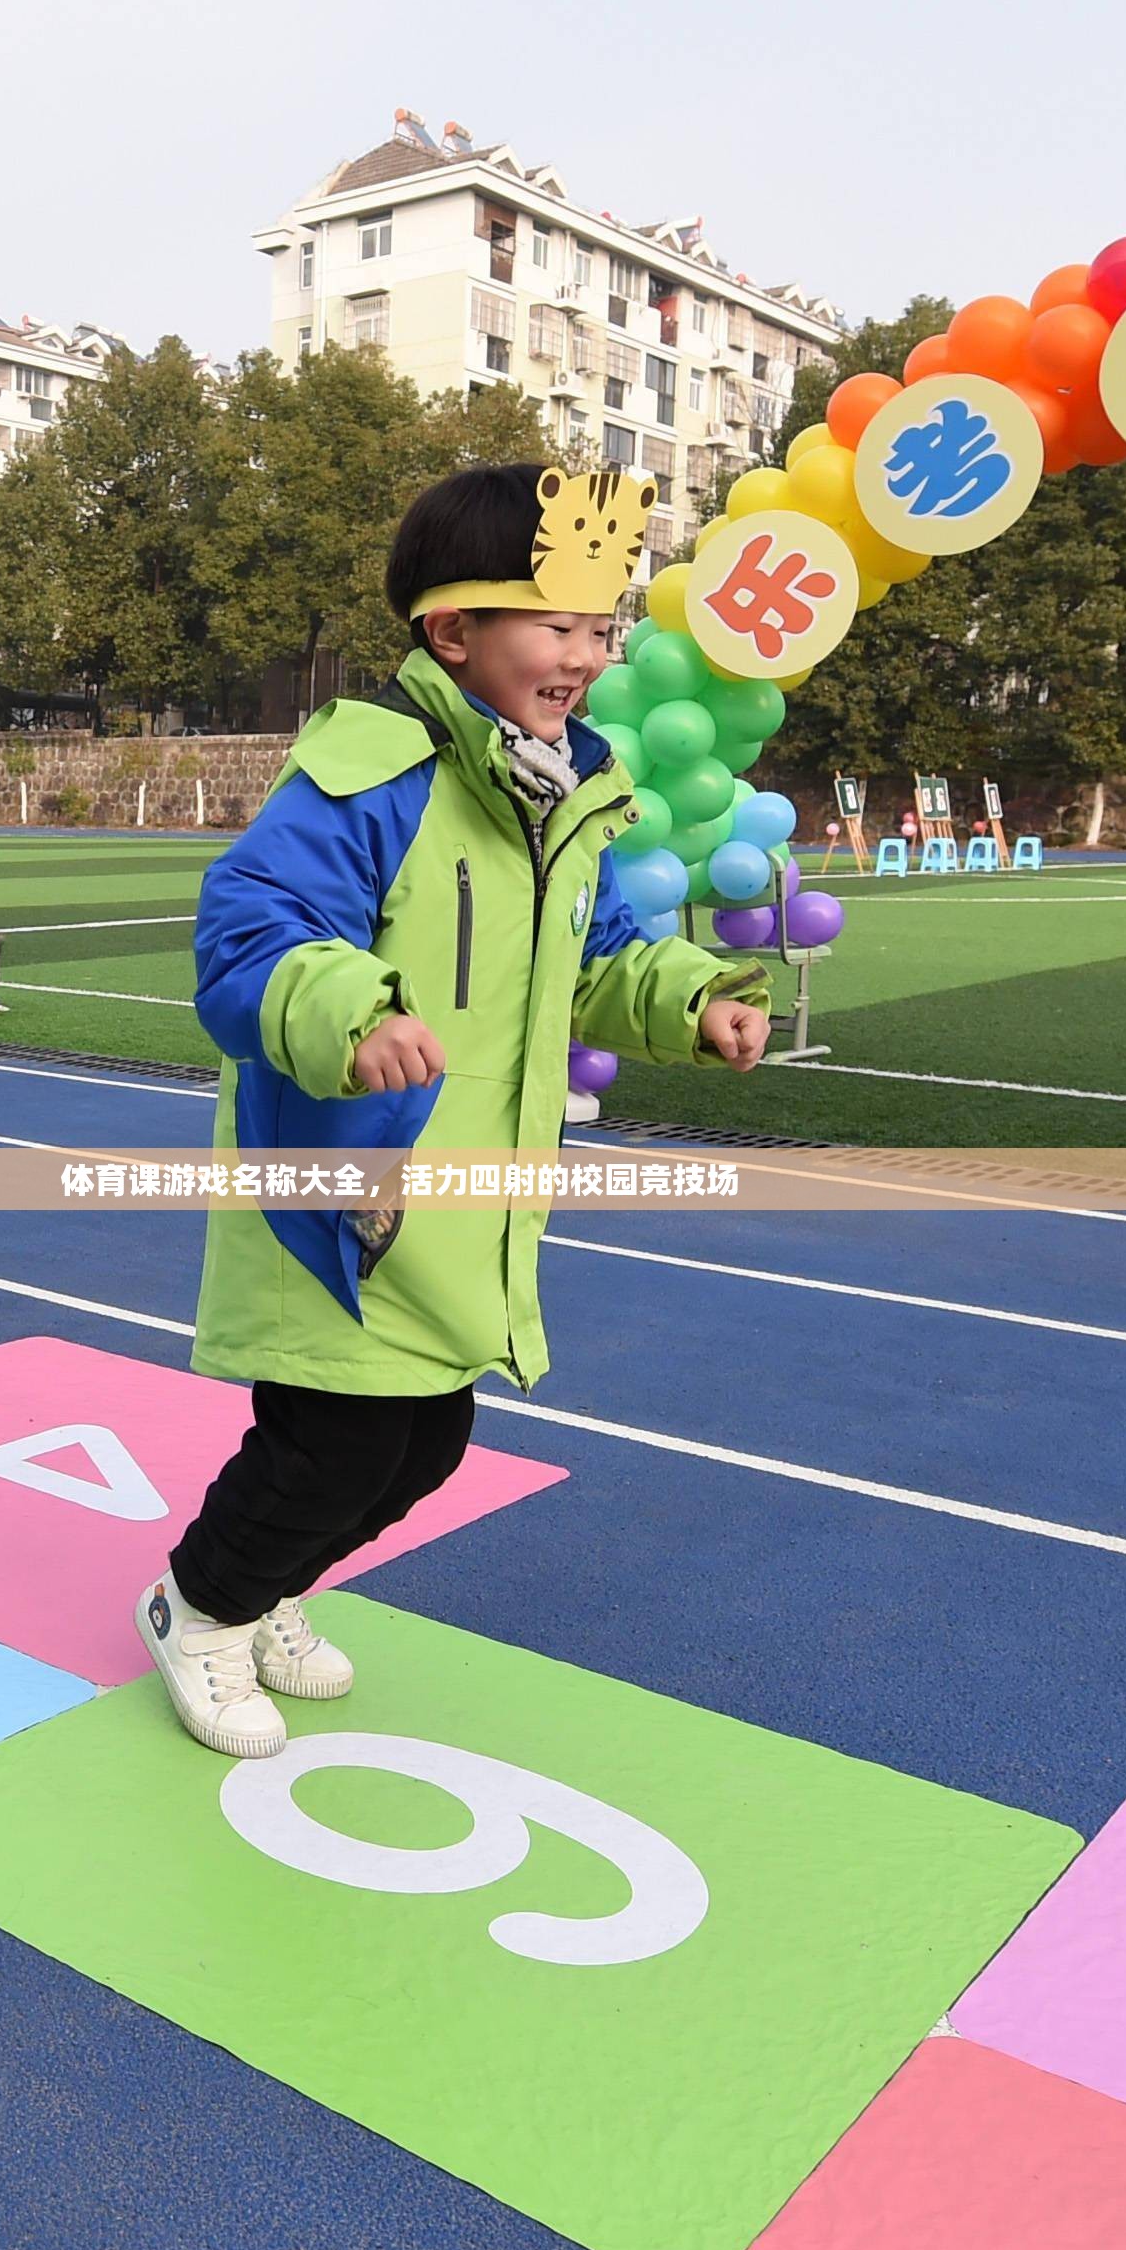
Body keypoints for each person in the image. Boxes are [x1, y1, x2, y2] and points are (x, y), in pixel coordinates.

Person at [135, 463, 770, 1757]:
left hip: (472, 1194)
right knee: (330, 1444)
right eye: (557, 626)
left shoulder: (573, 794)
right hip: (349, 1187)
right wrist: (350, 1012)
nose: (586, 658)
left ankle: (266, 1595)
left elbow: (601, 957)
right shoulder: (374, 771)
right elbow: (250, 927)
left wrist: (691, 998)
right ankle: (196, 1610)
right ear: (451, 630)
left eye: (603, 631)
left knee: (424, 1447)